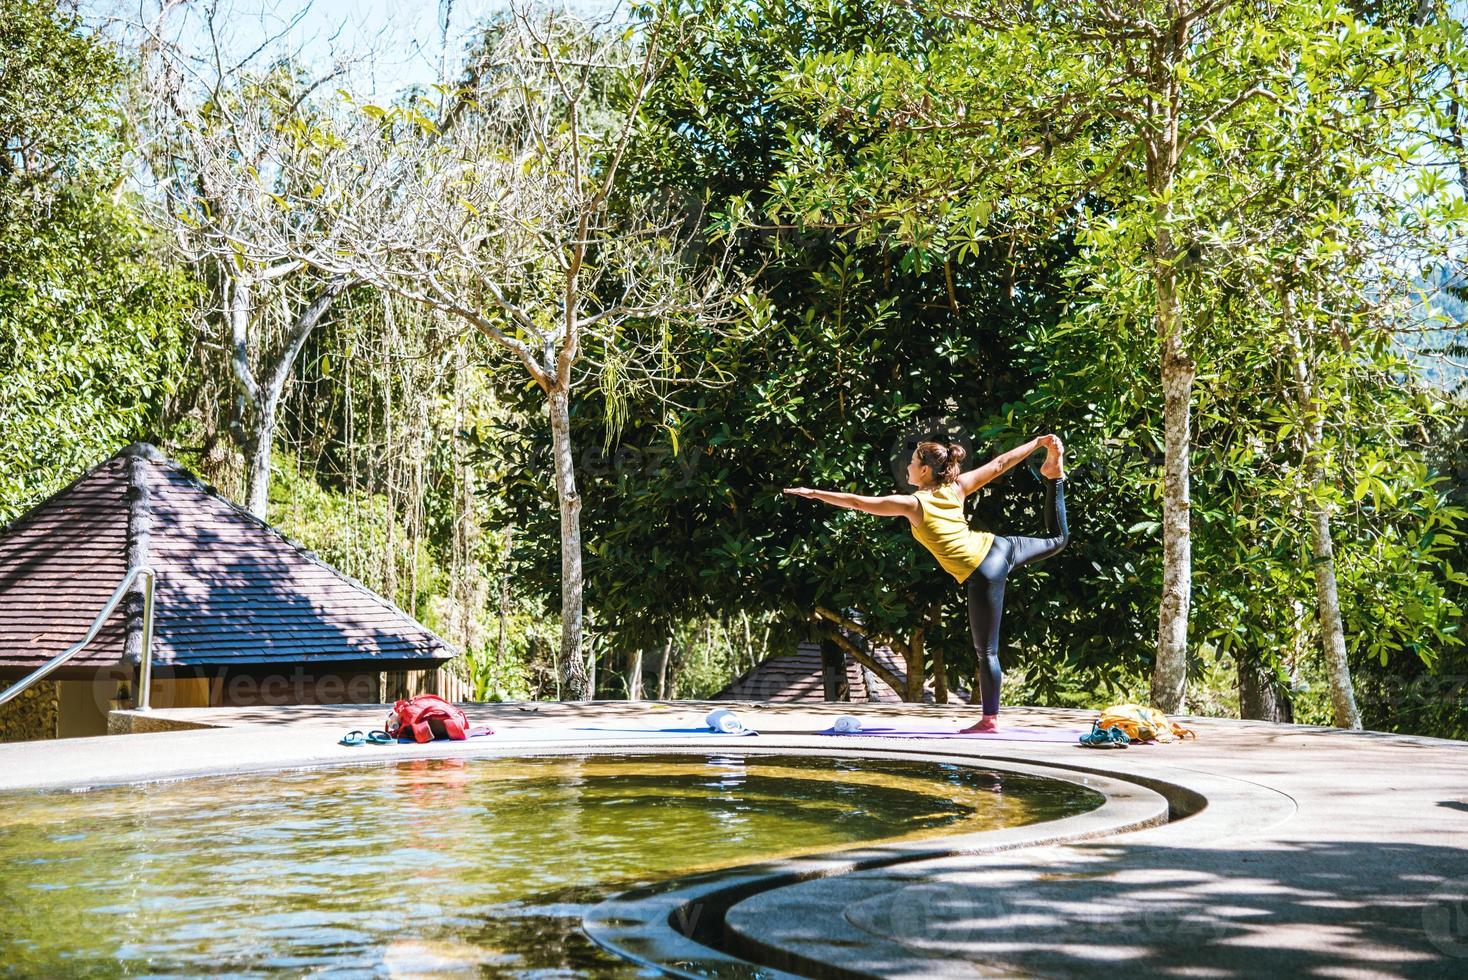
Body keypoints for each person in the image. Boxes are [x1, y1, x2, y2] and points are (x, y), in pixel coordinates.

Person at [783, 434, 1068, 732]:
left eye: (912, 462)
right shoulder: (956, 487)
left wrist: (814, 492)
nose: (907, 467)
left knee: (987, 652)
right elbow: (999, 464)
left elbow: (858, 502)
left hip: (983, 569)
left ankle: (990, 721)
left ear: (924, 471)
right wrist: (1037, 443)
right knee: (1058, 540)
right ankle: (1054, 476)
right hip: (1000, 547)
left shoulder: (913, 504)